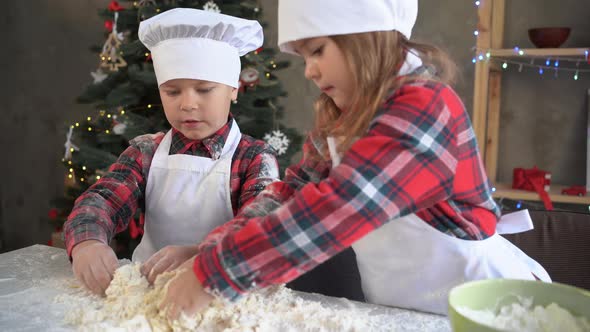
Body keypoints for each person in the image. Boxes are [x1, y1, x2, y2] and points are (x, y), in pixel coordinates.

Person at [159, 0, 551, 318]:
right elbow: (292, 193)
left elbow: (344, 207)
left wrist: (218, 272)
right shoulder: (343, 118)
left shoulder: (425, 108)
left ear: (365, 37)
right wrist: (213, 248)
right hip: (402, 306)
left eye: (317, 50)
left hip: (487, 308)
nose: (309, 71)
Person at [63, 8, 280, 296]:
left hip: (225, 292)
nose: (187, 104)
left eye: (204, 89)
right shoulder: (146, 152)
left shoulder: (254, 158)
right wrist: (87, 242)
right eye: (172, 92)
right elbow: (103, 199)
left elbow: (261, 225)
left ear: (233, 89)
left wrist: (204, 257)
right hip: (149, 292)